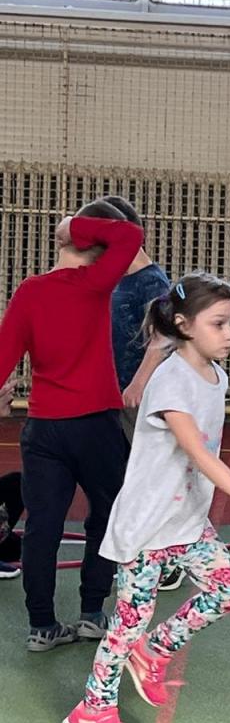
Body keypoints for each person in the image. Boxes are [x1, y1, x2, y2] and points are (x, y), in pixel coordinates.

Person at [60, 272, 230, 723]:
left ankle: (154, 651)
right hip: (148, 526)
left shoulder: (216, 376)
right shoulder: (171, 380)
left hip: (186, 521)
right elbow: (196, 451)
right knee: (128, 623)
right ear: (185, 325)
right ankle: (92, 713)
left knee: (228, 590)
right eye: (219, 324)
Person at [0, 200, 142, 650]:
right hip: (95, 425)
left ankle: (41, 625)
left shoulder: (29, 291)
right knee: (106, 516)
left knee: (42, 527)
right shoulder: (96, 283)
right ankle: (92, 613)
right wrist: (73, 225)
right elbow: (131, 236)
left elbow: (2, 357)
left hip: (44, 428)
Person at [102, 195, 182, 592]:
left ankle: (171, 559)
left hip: (142, 395)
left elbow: (165, 336)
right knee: (126, 476)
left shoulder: (151, 281)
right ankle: (138, 547)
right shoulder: (117, 278)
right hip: (118, 392)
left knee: (152, 476)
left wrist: (138, 382)